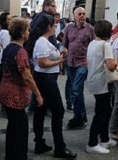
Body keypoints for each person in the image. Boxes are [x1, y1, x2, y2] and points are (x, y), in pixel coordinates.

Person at [0, 18, 44, 160]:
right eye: (28, 30)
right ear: (23, 33)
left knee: (13, 127)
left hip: (5, 91)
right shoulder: (20, 51)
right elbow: (27, 77)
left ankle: (11, 156)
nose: (29, 33)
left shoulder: (8, 48)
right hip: (15, 95)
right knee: (21, 130)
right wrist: (38, 95)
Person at [32, 15, 77, 158]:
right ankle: (59, 147)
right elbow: (42, 63)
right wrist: (60, 60)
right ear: (49, 27)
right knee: (58, 111)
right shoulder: (42, 42)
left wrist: (59, 53)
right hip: (46, 80)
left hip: (44, 79)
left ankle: (40, 143)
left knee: (41, 110)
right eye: (54, 24)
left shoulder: (45, 41)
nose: (55, 26)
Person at [85, 20, 117, 154]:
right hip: (103, 83)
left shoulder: (92, 43)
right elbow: (111, 65)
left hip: (93, 80)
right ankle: (92, 143)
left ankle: (105, 138)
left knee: (105, 109)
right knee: (101, 112)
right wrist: (116, 61)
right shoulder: (106, 45)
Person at [63, 6, 95, 129]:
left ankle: (78, 117)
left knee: (76, 89)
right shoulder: (68, 28)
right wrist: (62, 52)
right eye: (79, 14)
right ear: (74, 16)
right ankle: (81, 116)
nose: (82, 16)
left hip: (83, 63)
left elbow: (93, 45)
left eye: (84, 14)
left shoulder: (90, 29)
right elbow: (64, 44)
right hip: (70, 63)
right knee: (76, 91)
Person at [0, 12, 12, 88]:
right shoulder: (5, 32)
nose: (11, 20)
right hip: (5, 58)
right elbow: (7, 47)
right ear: (4, 21)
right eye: (9, 19)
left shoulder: (4, 31)